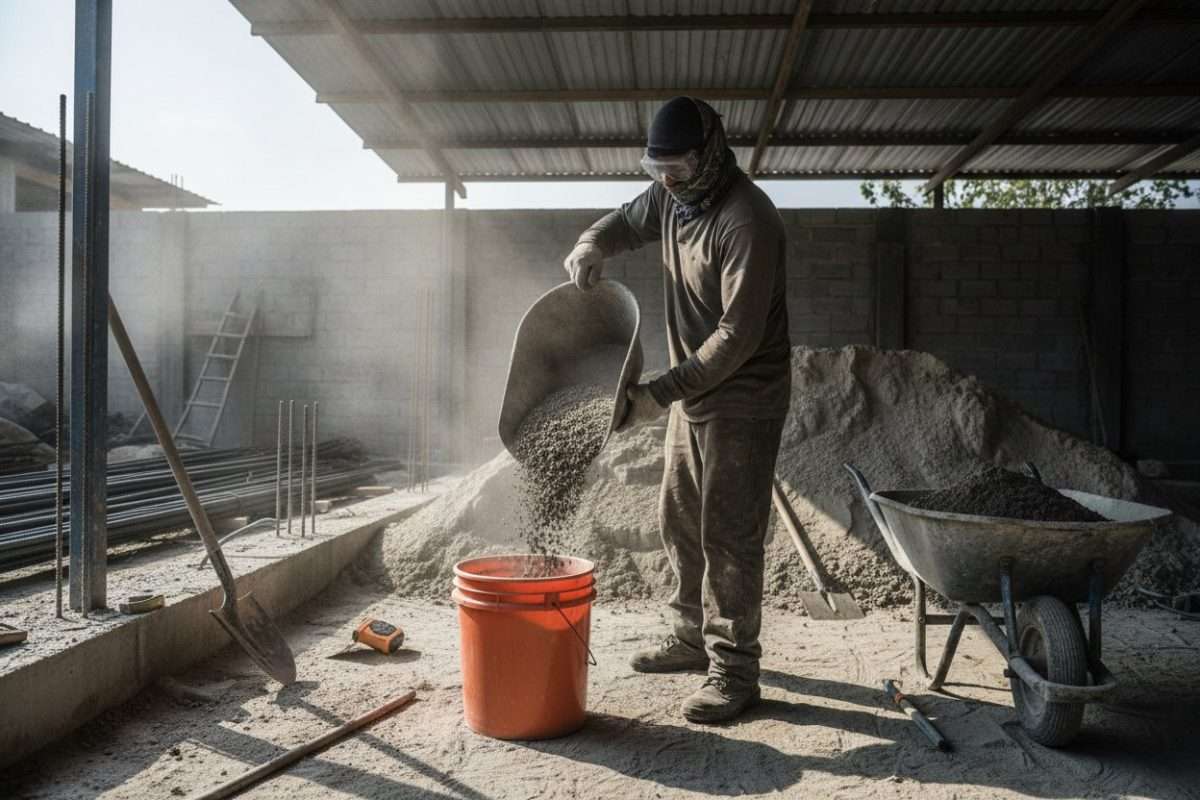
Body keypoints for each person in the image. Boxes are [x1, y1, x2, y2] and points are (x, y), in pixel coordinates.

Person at [562, 96, 791, 723]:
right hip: (696, 394)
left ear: (710, 152)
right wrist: (590, 245)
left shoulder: (746, 219)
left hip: (744, 398)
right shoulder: (671, 196)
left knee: (729, 535)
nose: (667, 180)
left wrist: (657, 393)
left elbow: (736, 339)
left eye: (679, 168)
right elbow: (620, 223)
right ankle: (690, 639)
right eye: (657, 169)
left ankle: (735, 672)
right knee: (680, 520)